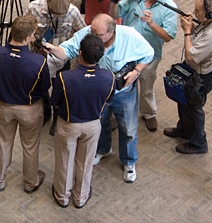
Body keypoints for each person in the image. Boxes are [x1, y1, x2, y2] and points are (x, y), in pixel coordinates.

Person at [45, 13, 154, 183]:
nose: (93, 36)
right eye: (92, 31)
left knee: (128, 128)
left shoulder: (130, 36)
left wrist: (136, 71)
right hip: (98, 93)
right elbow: (67, 50)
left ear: (111, 32)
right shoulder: (88, 34)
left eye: (99, 34)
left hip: (123, 93)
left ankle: (129, 161)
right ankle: (103, 149)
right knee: (101, 122)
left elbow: (149, 53)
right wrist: (52, 49)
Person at [0, 15, 50, 193]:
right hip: (29, 109)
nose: (34, 37)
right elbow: (44, 88)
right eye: (33, 34)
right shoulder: (39, 62)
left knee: (3, 144)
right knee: (30, 146)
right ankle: (31, 181)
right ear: (27, 38)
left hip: (3, 106)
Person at [51, 34, 115, 209]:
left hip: (67, 124)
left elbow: (55, 103)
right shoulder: (109, 77)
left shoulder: (64, 78)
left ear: (79, 53)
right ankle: (81, 196)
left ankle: (63, 196)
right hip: (93, 124)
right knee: (86, 161)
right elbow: (108, 100)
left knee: (65, 160)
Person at [113, 0, 177, 132]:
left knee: (146, 86)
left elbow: (168, 36)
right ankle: (117, 115)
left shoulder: (169, 7)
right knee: (121, 84)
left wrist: (152, 23)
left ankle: (149, 113)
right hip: (128, 52)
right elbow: (116, 12)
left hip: (150, 56)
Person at [25, 0, 86, 134]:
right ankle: (45, 112)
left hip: (60, 56)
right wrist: (34, 41)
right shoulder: (34, 7)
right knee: (40, 86)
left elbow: (83, 32)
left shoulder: (73, 12)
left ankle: (57, 116)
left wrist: (72, 46)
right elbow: (25, 29)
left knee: (60, 87)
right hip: (38, 56)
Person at [164, 0, 212, 154]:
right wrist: (193, 27)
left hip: (202, 74)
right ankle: (184, 129)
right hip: (194, 69)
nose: (194, 12)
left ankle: (198, 143)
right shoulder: (208, 22)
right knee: (183, 100)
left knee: (194, 106)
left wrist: (187, 32)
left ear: (209, 13)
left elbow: (191, 58)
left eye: (198, 11)